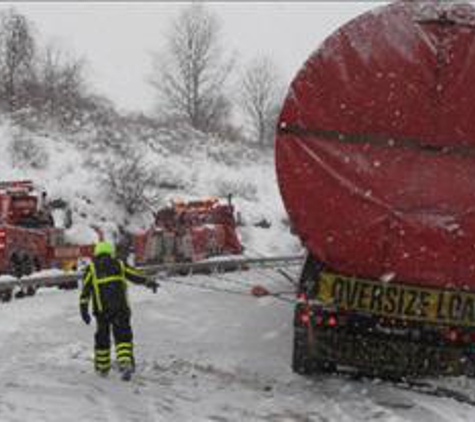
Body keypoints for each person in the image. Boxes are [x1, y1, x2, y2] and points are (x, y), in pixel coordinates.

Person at [79, 241, 158, 379]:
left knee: (102, 338)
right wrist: (149, 281)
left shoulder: (91, 269)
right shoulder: (119, 265)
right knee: (123, 336)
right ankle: (125, 362)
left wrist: (84, 310)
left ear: (96, 254)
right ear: (111, 253)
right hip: (120, 309)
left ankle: (102, 368)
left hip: (102, 311)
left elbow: (85, 293)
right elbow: (135, 275)